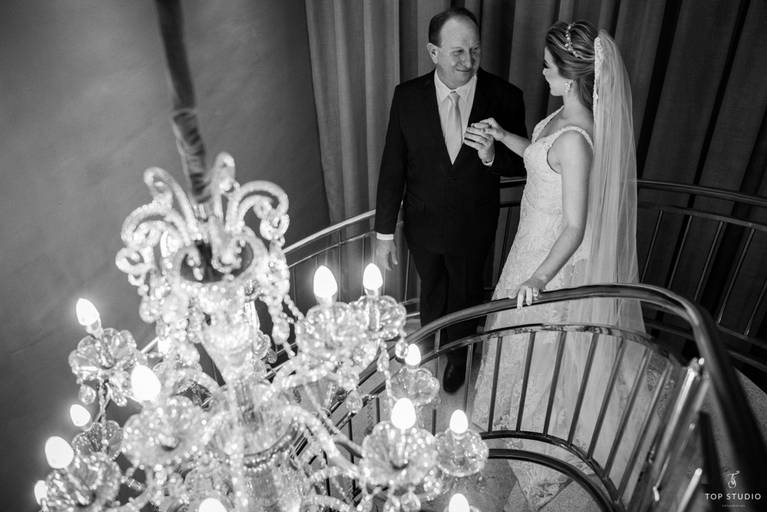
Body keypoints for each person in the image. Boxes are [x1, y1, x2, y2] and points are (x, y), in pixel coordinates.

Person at [470, 21, 646, 510]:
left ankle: (543, 443)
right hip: (527, 246)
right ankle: (507, 418)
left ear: (570, 78)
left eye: (548, 66)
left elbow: (574, 225)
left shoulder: (576, 139)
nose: (543, 71)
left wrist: (539, 277)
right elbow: (539, 157)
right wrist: (503, 136)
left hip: (547, 261)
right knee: (515, 341)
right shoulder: (560, 119)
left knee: (544, 352)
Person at [373, 7, 527, 394]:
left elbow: (524, 163)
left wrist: (491, 155)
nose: (468, 61)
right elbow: (393, 166)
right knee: (431, 289)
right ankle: (425, 346)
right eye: (457, 52)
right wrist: (384, 234)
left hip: (474, 225)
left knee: (466, 295)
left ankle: (458, 358)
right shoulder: (407, 97)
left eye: (475, 50)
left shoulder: (505, 96)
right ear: (433, 52)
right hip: (423, 223)